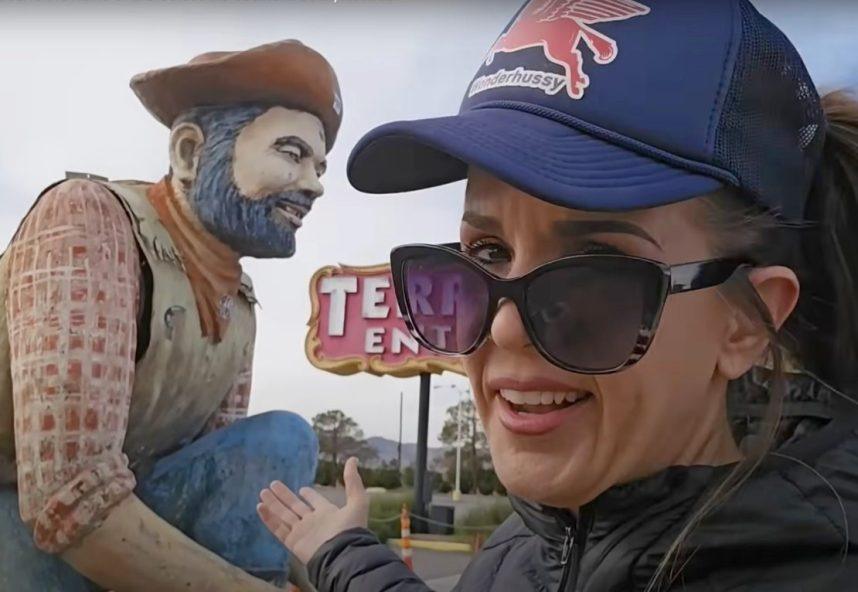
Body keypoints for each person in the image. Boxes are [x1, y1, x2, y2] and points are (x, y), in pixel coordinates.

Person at [258, 1, 858, 590]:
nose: (504, 330)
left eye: (596, 266)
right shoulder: (517, 554)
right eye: (487, 252)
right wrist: (345, 556)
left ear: (746, 324)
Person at [0, 41, 341, 591]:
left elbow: (229, 495)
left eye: (319, 165)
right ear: (189, 153)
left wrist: (339, 574)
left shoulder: (240, 301)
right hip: (20, 517)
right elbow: (64, 499)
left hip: (125, 512)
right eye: (290, 153)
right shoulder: (89, 223)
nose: (315, 184)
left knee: (283, 441)